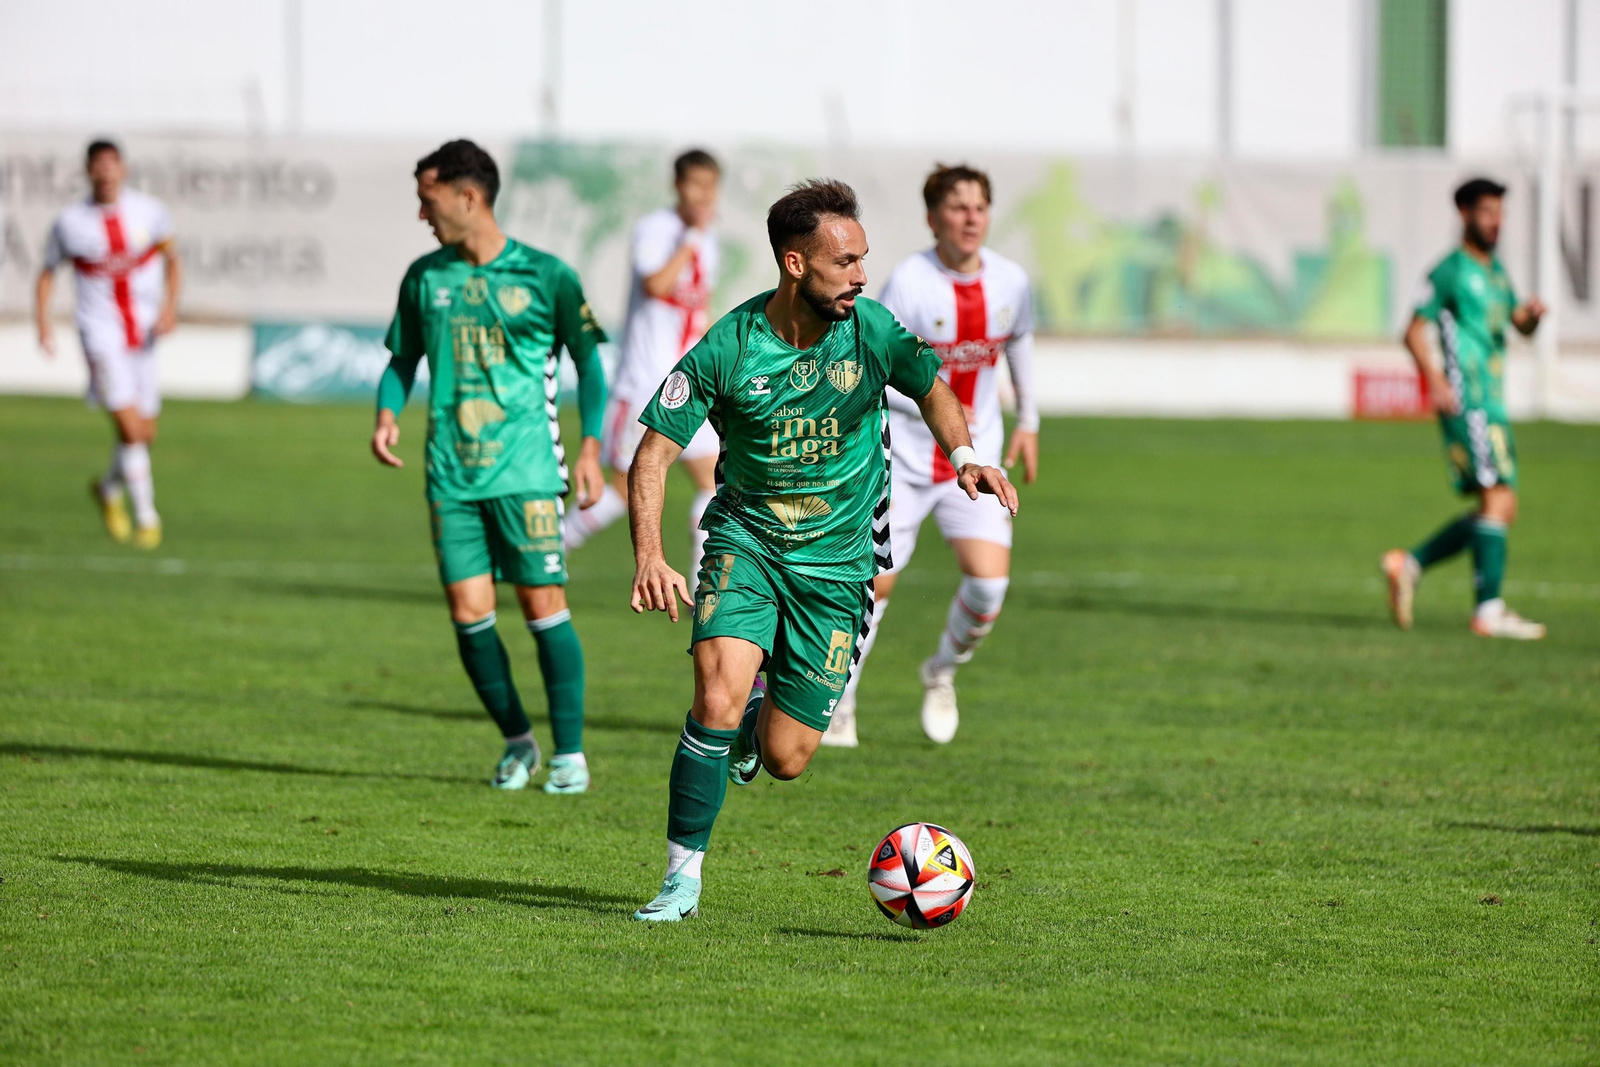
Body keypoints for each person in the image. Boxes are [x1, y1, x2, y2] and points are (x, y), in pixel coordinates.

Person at [625, 179, 1019, 921]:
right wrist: (650, 553)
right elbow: (652, 453)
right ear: (795, 264)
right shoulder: (731, 346)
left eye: (864, 258)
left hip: (838, 566)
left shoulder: (870, 330)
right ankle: (681, 878)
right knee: (713, 695)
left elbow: (932, 386)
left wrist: (964, 450)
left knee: (787, 757)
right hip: (747, 540)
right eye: (845, 262)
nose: (862, 275)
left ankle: (759, 716)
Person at [371, 139, 609, 793]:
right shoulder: (426, 278)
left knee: (542, 606)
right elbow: (401, 360)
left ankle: (571, 754)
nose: (423, 213)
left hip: (529, 470)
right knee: (468, 613)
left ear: (467, 197)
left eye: (429, 198)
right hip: (451, 472)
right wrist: (387, 411)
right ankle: (518, 742)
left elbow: (590, 364)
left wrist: (590, 445)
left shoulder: (547, 275)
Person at [823, 163, 1038, 748]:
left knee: (989, 588)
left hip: (979, 455)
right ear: (933, 217)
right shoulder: (909, 283)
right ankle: (841, 703)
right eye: (957, 207)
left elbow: (1019, 342)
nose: (970, 218)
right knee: (875, 586)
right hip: (907, 460)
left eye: (979, 207)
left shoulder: (1011, 282)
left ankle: (940, 670)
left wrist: (1031, 422)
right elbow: (875, 358)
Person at [1383, 177, 1546, 639]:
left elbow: (1517, 323)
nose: (1496, 222)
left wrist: (1530, 317)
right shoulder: (1449, 272)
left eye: (1500, 213)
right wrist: (1435, 381)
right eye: (1487, 212)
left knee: (1501, 505)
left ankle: (1408, 564)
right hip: (1468, 399)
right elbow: (1413, 330)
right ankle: (1488, 612)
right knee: (1497, 497)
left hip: (1492, 402)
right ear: (1464, 214)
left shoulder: (1495, 272)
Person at [563, 149, 722, 575]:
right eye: (696, 185)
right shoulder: (658, 230)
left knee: (713, 479)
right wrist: (689, 239)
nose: (704, 195)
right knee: (620, 486)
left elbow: (697, 311)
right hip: (645, 381)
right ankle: (550, 549)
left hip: (688, 382)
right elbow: (656, 285)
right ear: (677, 186)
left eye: (711, 186)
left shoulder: (709, 242)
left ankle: (701, 587)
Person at [35, 139, 182, 549]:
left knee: (144, 433)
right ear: (88, 171)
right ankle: (148, 517)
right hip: (99, 334)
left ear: (124, 169)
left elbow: (174, 259)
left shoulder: (149, 212)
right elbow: (46, 273)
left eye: (111, 164)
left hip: (145, 332)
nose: (105, 172)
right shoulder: (70, 222)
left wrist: (170, 308)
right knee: (131, 429)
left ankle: (106, 488)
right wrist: (43, 325)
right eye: (97, 165)